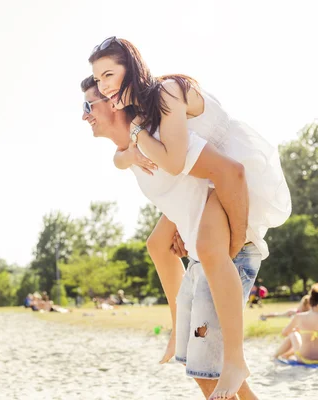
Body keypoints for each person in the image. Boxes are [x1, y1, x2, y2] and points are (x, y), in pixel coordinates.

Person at [89, 37, 291, 400]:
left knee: (211, 253)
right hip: (213, 181)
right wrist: (133, 146)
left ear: (131, 67)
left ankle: (235, 358)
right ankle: (198, 340)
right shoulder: (146, 117)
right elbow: (131, 158)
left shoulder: (166, 92)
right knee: (174, 247)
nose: (103, 86)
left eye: (108, 74)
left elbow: (176, 162)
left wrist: (136, 137)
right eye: (98, 79)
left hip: (235, 171)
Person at [273, 284, 318, 364]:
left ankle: (275, 356)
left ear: (310, 300)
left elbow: (284, 333)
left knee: (293, 334)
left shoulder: (300, 317)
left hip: (304, 358)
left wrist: (300, 331)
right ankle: (286, 355)